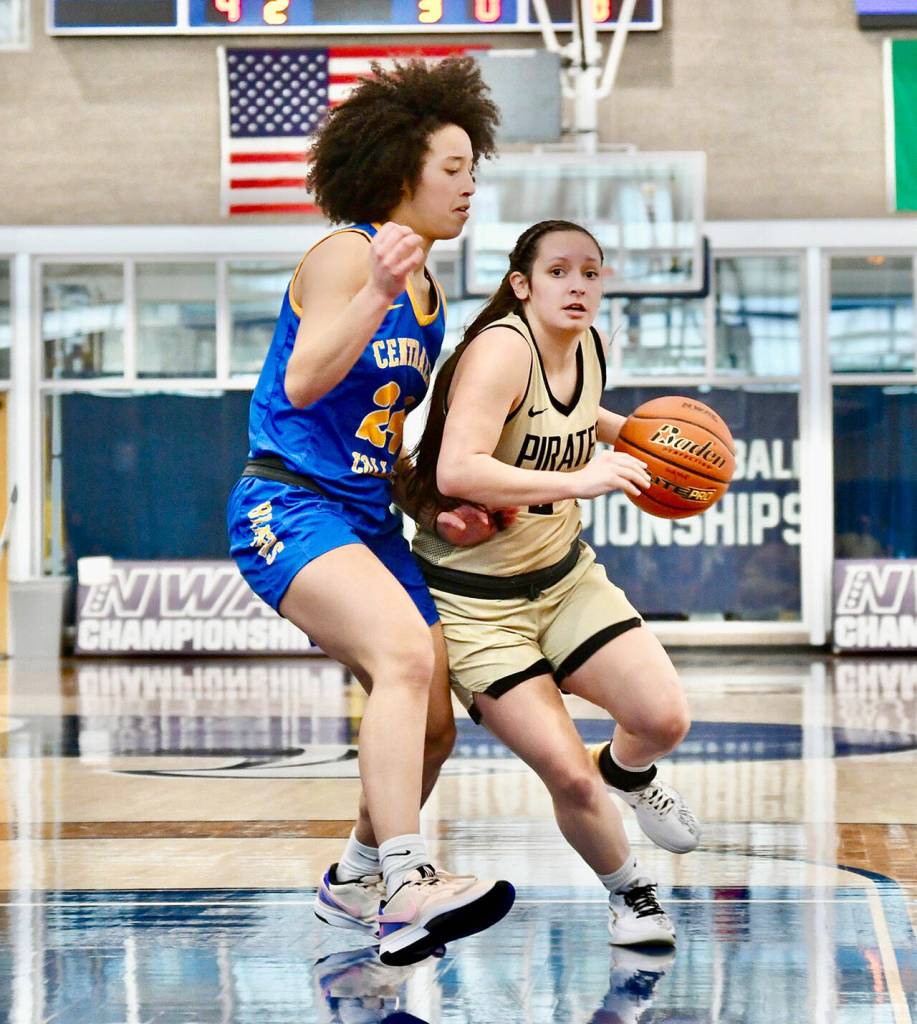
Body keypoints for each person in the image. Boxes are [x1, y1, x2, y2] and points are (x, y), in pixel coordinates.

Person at [226, 57, 514, 966]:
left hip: (363, 512)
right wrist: (377, 291)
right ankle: (406, 882)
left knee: (434, 720)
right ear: (399, 168)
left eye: (474, 169)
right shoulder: (349, 252)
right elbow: (307, 381)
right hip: (286, 499)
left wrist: (436, 507)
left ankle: (352, 879)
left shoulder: (428, 292)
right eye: (452, 168)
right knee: (400, 653)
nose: (469, 186)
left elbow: (380, 436)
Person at [409, 220, 701, 947]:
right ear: (522, 284)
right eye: (559, 272)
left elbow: (579, 415)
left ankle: (628, 775)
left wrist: (634, 436)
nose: (577, 286)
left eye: (590, 273)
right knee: (568, 777)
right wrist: (580, 479)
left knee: (662, 719)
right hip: (478, 608)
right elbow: (455, 470)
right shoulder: (501, 351)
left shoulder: (593, 346)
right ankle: (629, 895)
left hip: (564, 580)